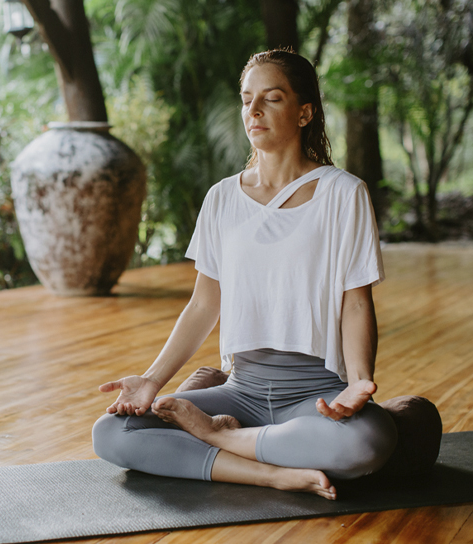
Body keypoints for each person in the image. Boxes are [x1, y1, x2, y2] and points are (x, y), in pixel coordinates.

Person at [91, 49, 398, 501]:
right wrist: (152, 380)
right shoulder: (221, 198)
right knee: (112, 432)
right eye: (246, 98)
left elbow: (356, 301)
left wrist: (356, 384)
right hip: (243, 392)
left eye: (271, 98)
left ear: (304, 112)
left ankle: (222, 441)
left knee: (366, 440)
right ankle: (272, 473)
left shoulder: (343, 193)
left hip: (313, 394)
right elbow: (203, 304)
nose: (253, 111)